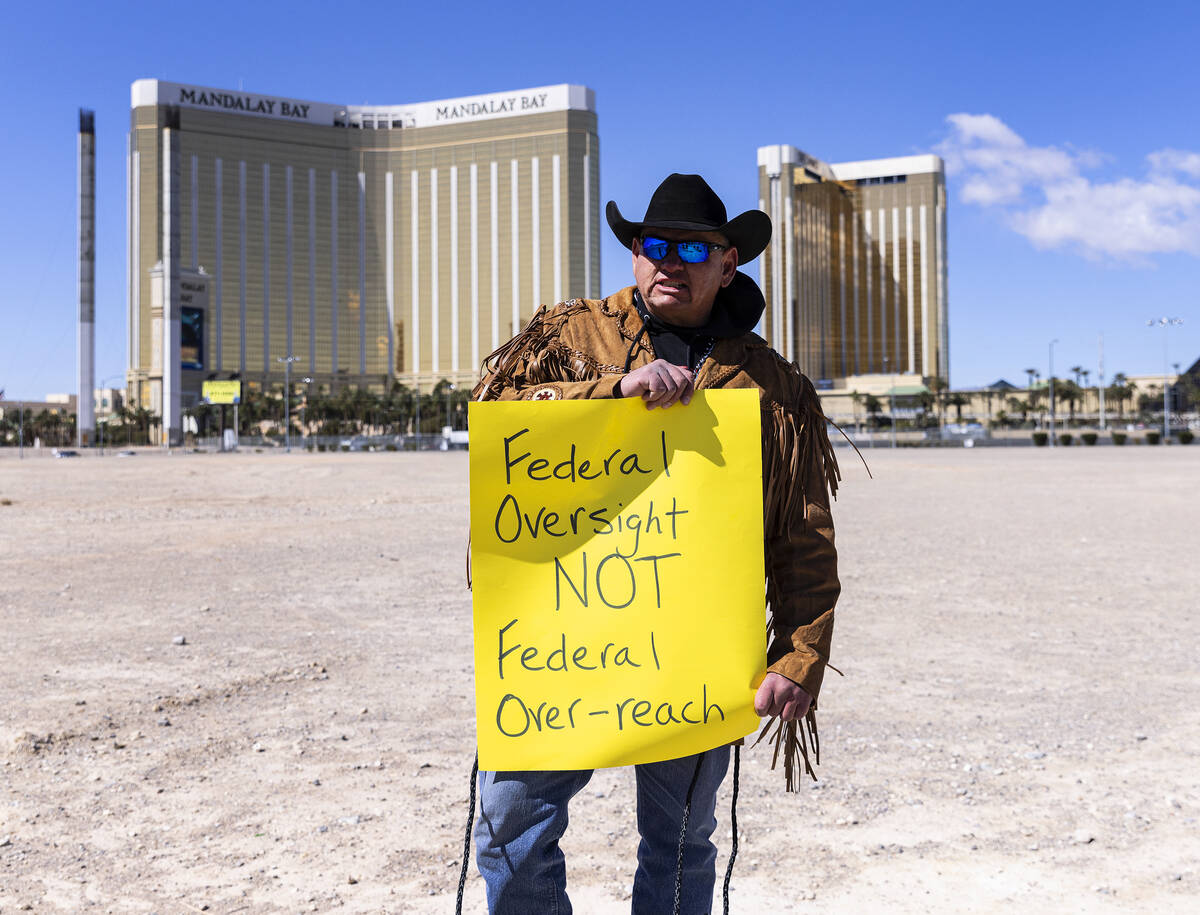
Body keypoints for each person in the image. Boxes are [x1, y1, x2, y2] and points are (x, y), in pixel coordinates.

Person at [470, 173, 840, 914]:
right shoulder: (570, 336)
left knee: (678, 845)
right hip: (561, 641)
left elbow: (803, 536)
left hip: (693, 652)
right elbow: (494, 413)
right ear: (636, 254)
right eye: (656, 245)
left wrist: (801, 655)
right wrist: (613, 393)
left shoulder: (771, 384)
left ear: (728, 262)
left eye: (694, 249)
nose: (672, 261)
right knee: (510, 826)